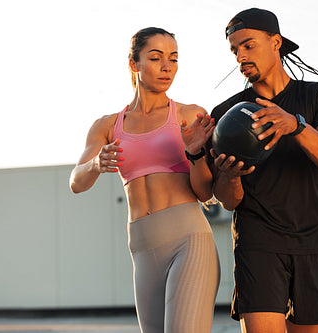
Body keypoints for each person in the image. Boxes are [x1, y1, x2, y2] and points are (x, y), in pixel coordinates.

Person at [207, 8, 318, 333]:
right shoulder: (226, 115)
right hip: (257, 244)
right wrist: (228, 176)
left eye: (248, 45)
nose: (240, 56)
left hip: (311, 243)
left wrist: (296, 126)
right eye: (234, 50)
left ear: (275, 42)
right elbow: (228, 201)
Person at [69, 27, 220, 333]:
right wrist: (97, 163)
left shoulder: (190, 116)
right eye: (155, 57)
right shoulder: (108, 125)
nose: (167, 66)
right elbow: (76, 181)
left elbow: (205, 193)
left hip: (189, 240)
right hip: (141, 247)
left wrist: (195, 153)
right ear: (133, 63)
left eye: (174, 59)